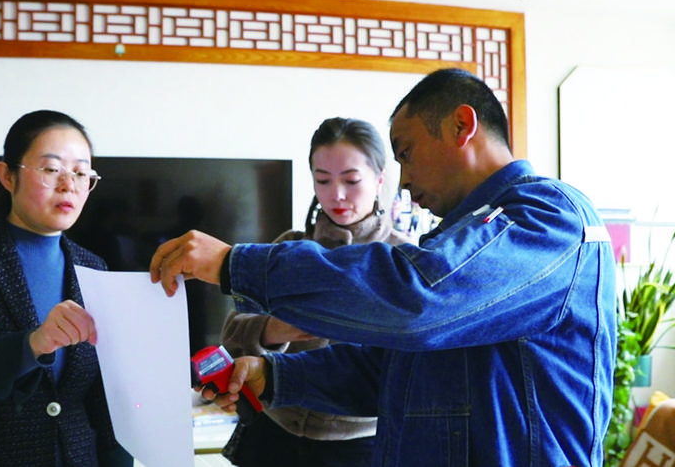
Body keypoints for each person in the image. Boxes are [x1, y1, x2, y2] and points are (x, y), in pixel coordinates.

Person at [150, 68, 617, 467]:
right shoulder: (456, 240)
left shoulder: (547, 218)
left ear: (461, 125)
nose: (405, 182)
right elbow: (390, 372)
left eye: (406, 154)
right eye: (322, 180)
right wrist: (274, 376)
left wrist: (234, 263)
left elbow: (418, 299)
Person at [0, 110, 131, 466]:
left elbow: (100, 398)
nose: (68, 185)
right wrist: (31, 345)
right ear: (7, 175)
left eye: (81, 173)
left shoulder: (93, 268)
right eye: (51, 169)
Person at [220, 117, 411, 467]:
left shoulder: (403, 259)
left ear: (379, 179)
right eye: (323, 180)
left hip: (358, 447)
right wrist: (273, 330)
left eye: (351, 180)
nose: (336, 195)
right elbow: (231, 333)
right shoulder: (288, 248)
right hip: (272, 435)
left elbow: (405, 368)